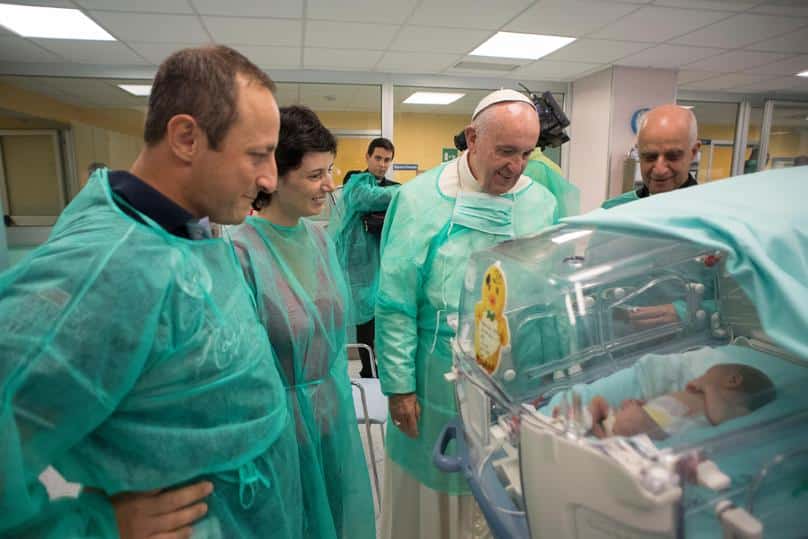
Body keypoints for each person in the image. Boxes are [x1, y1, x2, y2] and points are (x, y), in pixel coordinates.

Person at [0, 45, 304, 538]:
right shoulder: (106, 266)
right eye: (257, 154)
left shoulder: (181, 229)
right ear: (186, 138)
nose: (269, 178)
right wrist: (94, 527)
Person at [376, 89, 560, 538]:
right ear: (472, 138)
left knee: (502, 488)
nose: (515, 166)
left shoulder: (540, 204)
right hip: (434, 376)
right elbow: (395, 303)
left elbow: (547, 295)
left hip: (511, 379)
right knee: (437, 489)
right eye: (504, 151)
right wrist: (400, 387)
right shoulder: (421, 200)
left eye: (525, 154)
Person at [229, 105, 374, 539]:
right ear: (273, 175)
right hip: (275, 428)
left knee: (334, 514)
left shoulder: (318, 239)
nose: (329, 186)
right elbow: (240, 369)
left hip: (332, 415)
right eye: (315, 175)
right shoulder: (239, 253)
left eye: (329, 171)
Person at [330, 137, 400, 378]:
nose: (382, 164)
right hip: (359, 264)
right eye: (378, 158)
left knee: (381, 317)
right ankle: (367, 369)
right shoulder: (356, 181)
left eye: (387, 160)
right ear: (368, 157)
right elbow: (369, 198)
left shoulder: (392, 185)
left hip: (383, 260)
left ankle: (378, 366)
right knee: (364, 319)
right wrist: (403, 191)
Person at [587, 364, 775, 440]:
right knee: (598, 402)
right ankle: (585, 424)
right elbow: (664, 405)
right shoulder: (698, 395)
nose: (701, 377)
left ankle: (600, 433)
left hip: (656, 432)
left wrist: (709, 387)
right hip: (642, 419)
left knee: (630, 420)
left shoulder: (737, 409)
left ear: (733, 381)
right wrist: (643, 404)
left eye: (707, 374)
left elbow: (720, 418)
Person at [602, 104, 700, 209]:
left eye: (672, 156)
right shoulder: (615, 210)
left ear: (693, 152)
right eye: (650, 156)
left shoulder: (713, 214)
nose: (659, 170)